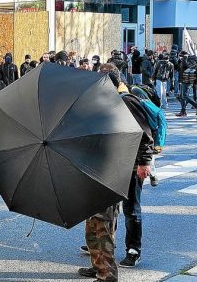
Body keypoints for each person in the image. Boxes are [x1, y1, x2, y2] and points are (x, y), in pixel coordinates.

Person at [78, 63, 153, 282]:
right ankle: (98, 264)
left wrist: (143, 163)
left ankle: (118, 263)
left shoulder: (127, 102)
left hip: (122, 169)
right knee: (96, 222)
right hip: (101, 169)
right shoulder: (101, 101)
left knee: (116, 215)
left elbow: (145, 135)